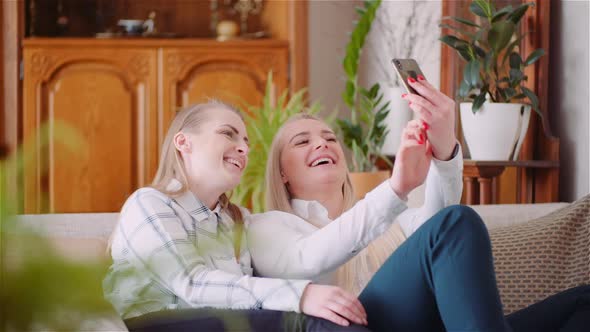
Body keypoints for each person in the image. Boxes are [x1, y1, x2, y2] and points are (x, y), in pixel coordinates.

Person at [247, 75, 590, 332]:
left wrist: (444, 147)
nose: (321, 144)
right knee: (456, 221)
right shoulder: (266, 226)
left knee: (583, 302)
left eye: (329, 138)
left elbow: (441, 225)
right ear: (282, 172)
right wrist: (395, 188)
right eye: (302, 141)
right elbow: (309, 259)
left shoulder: (393, 223)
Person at [103, 101, 373, 332]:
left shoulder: (235, 221)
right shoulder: (150, 203)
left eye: (245, 141)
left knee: (332, 319)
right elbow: (192, 284)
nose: (243, 148)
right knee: (312, 321)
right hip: (152, 325)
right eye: (228, 134)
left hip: (221, 324)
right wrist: (301, 295)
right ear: (183, 142)